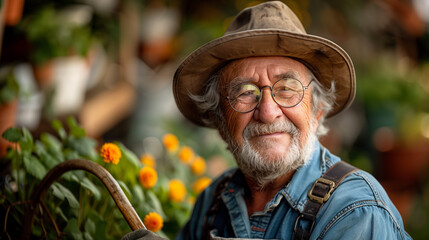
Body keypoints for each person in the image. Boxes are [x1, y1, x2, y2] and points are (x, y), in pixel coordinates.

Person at [123, 1, 411, 239]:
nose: (268, 111)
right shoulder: (214, 200)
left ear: (318, 111)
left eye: (286, 89)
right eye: (244, 92)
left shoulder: (356, 213)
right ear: (220, 121)